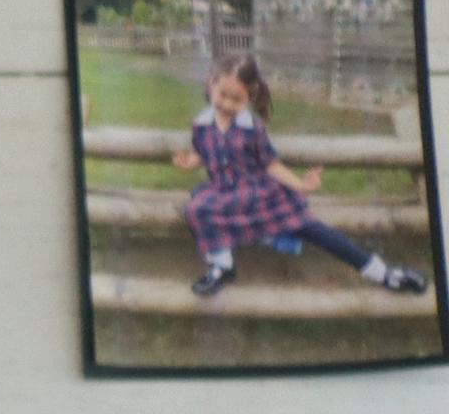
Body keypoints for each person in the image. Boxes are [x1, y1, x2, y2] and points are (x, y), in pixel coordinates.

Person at [173, 53, 431, 305]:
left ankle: (384, 274)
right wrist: (189, 163)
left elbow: (271, 165)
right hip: (223, 193)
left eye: (237, 99)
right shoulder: (201, 125)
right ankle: (222, 267)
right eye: (222, 95)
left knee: (314, 230)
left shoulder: (252, 128)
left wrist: (301, 185)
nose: (228, 104)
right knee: (196, 209)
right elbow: (201, 155)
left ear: (249, 97)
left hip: (258, 195)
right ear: (211, 84)